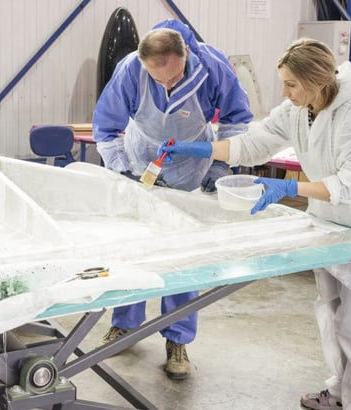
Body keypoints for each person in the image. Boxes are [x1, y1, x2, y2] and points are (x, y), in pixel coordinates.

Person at [160, 38, 351, 409]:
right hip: (328, 220)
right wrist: (202, 149)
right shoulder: (299, 109)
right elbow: (254, 143)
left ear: (317, 81)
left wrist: (290, 187)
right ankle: (341, 392)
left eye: (291, 84)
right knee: (332, 312)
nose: (284, 92)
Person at [92, 19, 253, 380]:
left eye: (174, 77)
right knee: (134, 248)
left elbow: (238, 119)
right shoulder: (130, 70)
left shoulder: (213, 66)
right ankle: (124, 324)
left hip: (193, 164)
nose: (166, 85)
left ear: (187, 55)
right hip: (141, 160)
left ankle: (177, 338)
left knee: (183, 256)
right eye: (158, 79)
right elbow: (106, 127)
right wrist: (121, 169)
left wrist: (222, 162)